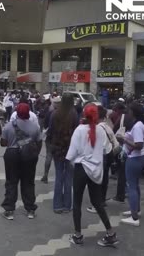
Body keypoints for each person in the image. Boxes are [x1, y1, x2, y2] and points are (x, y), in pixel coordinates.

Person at [66, 103, 118, 247]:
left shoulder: (79, 130)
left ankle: (77, 235)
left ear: (84, 114)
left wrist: (70, 164)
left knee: (76, 202)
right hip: (95, 170)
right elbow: (103, 150)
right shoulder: (100, 130)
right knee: (97, 203)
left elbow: (71, 154)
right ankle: (110, 233)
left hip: (81, 169)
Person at [0, 103, 42, 220]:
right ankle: (30, 210)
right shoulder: (35, 127)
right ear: (28, 112)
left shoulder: (9, 126)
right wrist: (35, 154)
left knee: (11, 182)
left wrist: (13, 142)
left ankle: (9, 210)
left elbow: (3, 143)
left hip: (12, 155)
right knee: (28, 182)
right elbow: (39, 143)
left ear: (17, 112)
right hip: (29, 156)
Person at [117, 103, 144, 227]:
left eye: (129, 111)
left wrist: (124, 140)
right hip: (141, 156)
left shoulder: (137, 126)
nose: (127, 113)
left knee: (131, 186)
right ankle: (135, 210)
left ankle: (134, 217)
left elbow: (139, 144)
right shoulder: (140, 124)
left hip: (136, 157)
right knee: (135, 185)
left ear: (133, 113)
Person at [47, 93, 79, 213]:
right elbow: (77, 133)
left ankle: (57, 205)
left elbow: (50, 131)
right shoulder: (74, 114)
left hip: (57, 149)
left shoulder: (55, 113)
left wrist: (51, 144)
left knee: (59, 176)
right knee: (68, 178)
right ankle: (67, 205)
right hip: (71, 149)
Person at [87, 106, 119, 213]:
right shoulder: (107, 126)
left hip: (101, 156)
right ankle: (102, 201)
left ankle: (97, 204)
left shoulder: (97, 128)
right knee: (104, 179)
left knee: (97, 181)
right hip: (109, 155)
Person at [40, 97, 58, 183]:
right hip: (60, 138)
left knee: (49, 156)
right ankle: (59, 176)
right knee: (58, 158)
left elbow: (45, 125)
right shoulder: (64, 113)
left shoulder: (50, 113)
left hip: (50, 138)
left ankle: (45, 175)